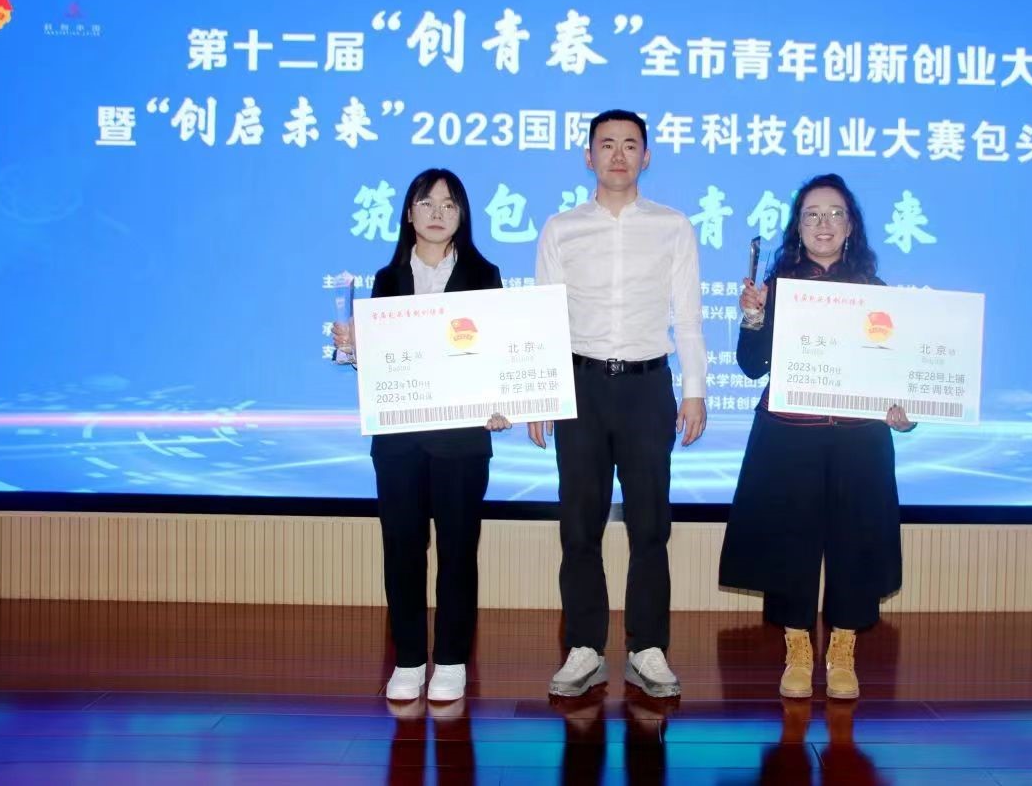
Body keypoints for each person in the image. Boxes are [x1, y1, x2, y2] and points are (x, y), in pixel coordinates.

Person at [529, 109, 708, 698]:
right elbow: (545, 317)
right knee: (579, 526)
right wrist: (540, 392)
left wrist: (695, 390)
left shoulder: (672, 226)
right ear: (588, 156)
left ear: (646, 156)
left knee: (650, 524)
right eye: (606, 144)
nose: (618, 155)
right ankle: (584, 647)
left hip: (647, 387)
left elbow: (688, 316)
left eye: (631, 145)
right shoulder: (561, 229)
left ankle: (647, 648)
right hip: (579, 386)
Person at [718, 173, 915, 700]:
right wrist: (754, 318)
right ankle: (798, 648)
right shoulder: (779, 288)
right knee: (790, 544)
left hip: (859, 440)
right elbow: (752, 366)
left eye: (834, 214)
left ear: (851, 227)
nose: (823, 224)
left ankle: (843, 648)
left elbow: (900, 375)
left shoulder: (876, 294)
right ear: (798, 228)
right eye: (812, 215)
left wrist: (906, 414)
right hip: (789, 436)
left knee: (856, 543)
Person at [334, 168, 509, 702]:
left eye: (449, 204)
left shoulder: (484, 274)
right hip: (399, 441)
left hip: (461, 440)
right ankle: (409, 659)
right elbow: (382, 366)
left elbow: (500, 352)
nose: (437, 213)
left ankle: (451, 660)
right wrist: (354, 349)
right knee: (402, 549)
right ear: (409, 213)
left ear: (462, 216)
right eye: (427, 203)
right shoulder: (388, 279)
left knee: (458, 551)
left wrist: (504, 401)